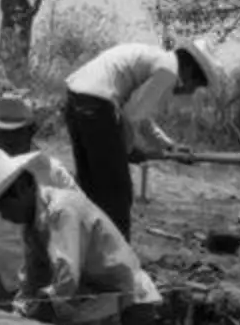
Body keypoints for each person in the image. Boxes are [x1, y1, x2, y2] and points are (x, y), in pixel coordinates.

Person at [0, 150, 161, 325]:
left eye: (2, 208)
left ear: (22, 190)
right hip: (99, 305)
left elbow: (66, 278)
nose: (3, 216)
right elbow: (32, 278)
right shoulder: (33, 226)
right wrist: (19, 314)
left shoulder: (61, 210)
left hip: (129, 306)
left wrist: (32, 319)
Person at [62, 39, 222, 238]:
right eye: (195, 85)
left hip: (76, 98)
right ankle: (118, 261)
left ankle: (88, 253)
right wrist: (129, 150)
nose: (190, 91)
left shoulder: (157, 60)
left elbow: (140, 116)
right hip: (97, 107)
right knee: (117, 194)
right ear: (188, 70)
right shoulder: (168, 71)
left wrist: (169, 146)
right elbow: (131, 116)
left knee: (91, 187)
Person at [0, 92, 79, 305]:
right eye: (3, 133)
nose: (8, 139)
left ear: (30, 132)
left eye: (16, 133)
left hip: (26, 278)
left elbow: (76, 210)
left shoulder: (50, 170)